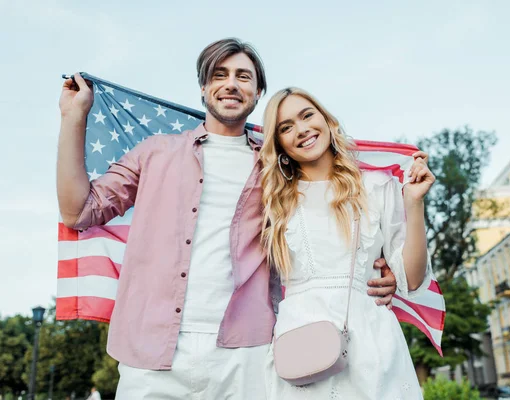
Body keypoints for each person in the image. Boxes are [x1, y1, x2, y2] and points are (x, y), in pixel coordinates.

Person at [56, 38, 397, 399]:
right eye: (220, 75)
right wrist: (73, 116)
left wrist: (378, 269)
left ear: (258, 91)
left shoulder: (278, 170)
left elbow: (330, 215)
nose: (232, 84)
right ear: (204, 88)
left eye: (244, 77)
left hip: (247, 354)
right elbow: (79, 211)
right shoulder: (154, 153)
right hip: (152, 351)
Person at [260, 87, 436, 399]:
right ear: (279, 145)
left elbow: (411, 278)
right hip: (300, 344)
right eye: (286, 127)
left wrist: (413, 203)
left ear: (328, 121)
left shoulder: (376, 187)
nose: (301, 130)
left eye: (307, 115)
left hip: (370, 335)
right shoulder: (273, 203)